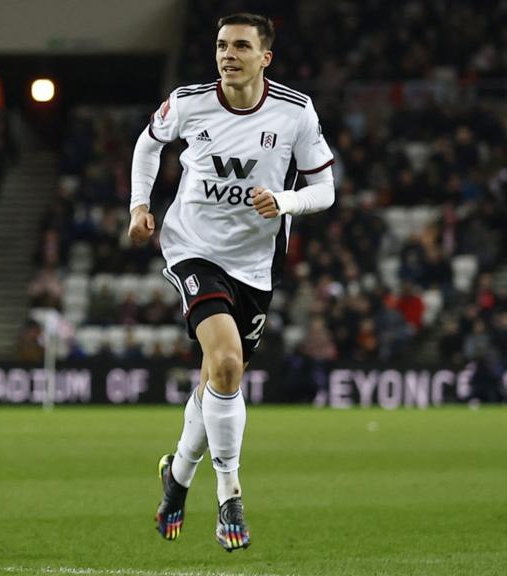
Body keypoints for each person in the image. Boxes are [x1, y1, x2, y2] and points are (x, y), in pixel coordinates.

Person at [128, 13, 335, 551]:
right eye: (222, 45)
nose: (228, 55)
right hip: (192, 247)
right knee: (224, 361)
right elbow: (148, 144)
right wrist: (139, 205)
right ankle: (229, 495)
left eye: (241, 46)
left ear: (265, 57)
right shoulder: (189, 101)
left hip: (256, 265)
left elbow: (325, 189)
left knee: (220, 378)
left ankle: (176, 479)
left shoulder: (295, 112)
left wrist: (285, 201)